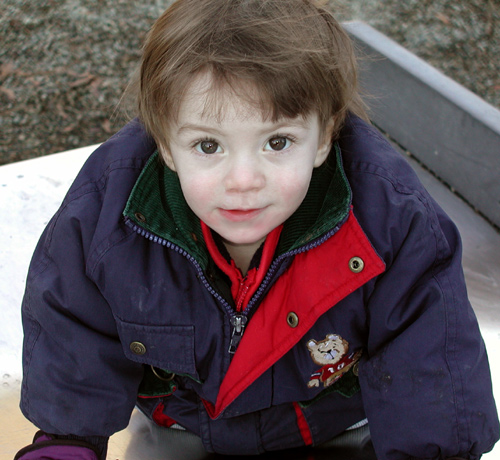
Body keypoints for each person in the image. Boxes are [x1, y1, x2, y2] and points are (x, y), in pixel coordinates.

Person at [14, 0, 499, 459]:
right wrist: (66, 441)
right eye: (208, 146)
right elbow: (72, 334)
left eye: (278, 141)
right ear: (163, 141)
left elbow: (429, 360)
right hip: (183, 422)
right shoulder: (107, 216)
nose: (243, 180)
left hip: (328, 423)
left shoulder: (389, 221)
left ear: (324, 135)